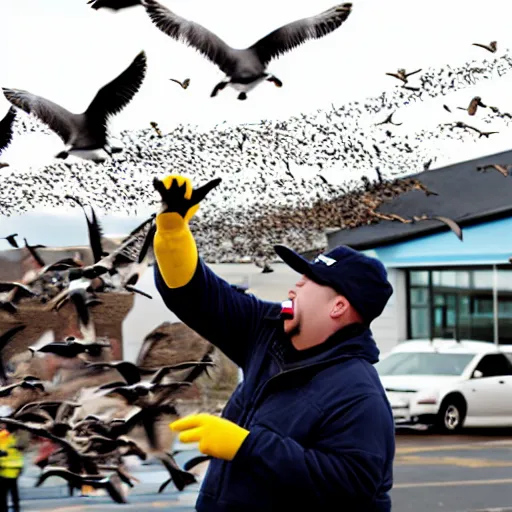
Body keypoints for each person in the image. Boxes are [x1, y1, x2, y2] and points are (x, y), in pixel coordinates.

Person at [153, 175, 396, 511]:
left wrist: (246, 446)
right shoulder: (267, 332)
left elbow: (354, 482)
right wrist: (172, 231)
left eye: (308, 281)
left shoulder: (357, 391)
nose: (294, 288)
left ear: (338, 307)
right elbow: (198, 297)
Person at [0, 425, 24, 512]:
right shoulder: (14, 438)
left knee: (3, 494)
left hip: (3, 469)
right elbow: (18, 453)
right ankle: (16, 508)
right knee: (14, 491)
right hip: (15, 467)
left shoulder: (2, 437)